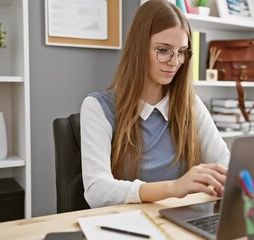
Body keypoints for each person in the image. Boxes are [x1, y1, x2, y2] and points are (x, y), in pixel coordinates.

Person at [80, 0, 230, 208]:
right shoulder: (97, 107)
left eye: (181, 52)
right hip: (128, 226)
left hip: (180, 222)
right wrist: (174, 188)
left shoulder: (190, 105)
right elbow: (97, 190)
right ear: (139, 48)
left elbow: (225, 163)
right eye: (163, 50)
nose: (175, 61)